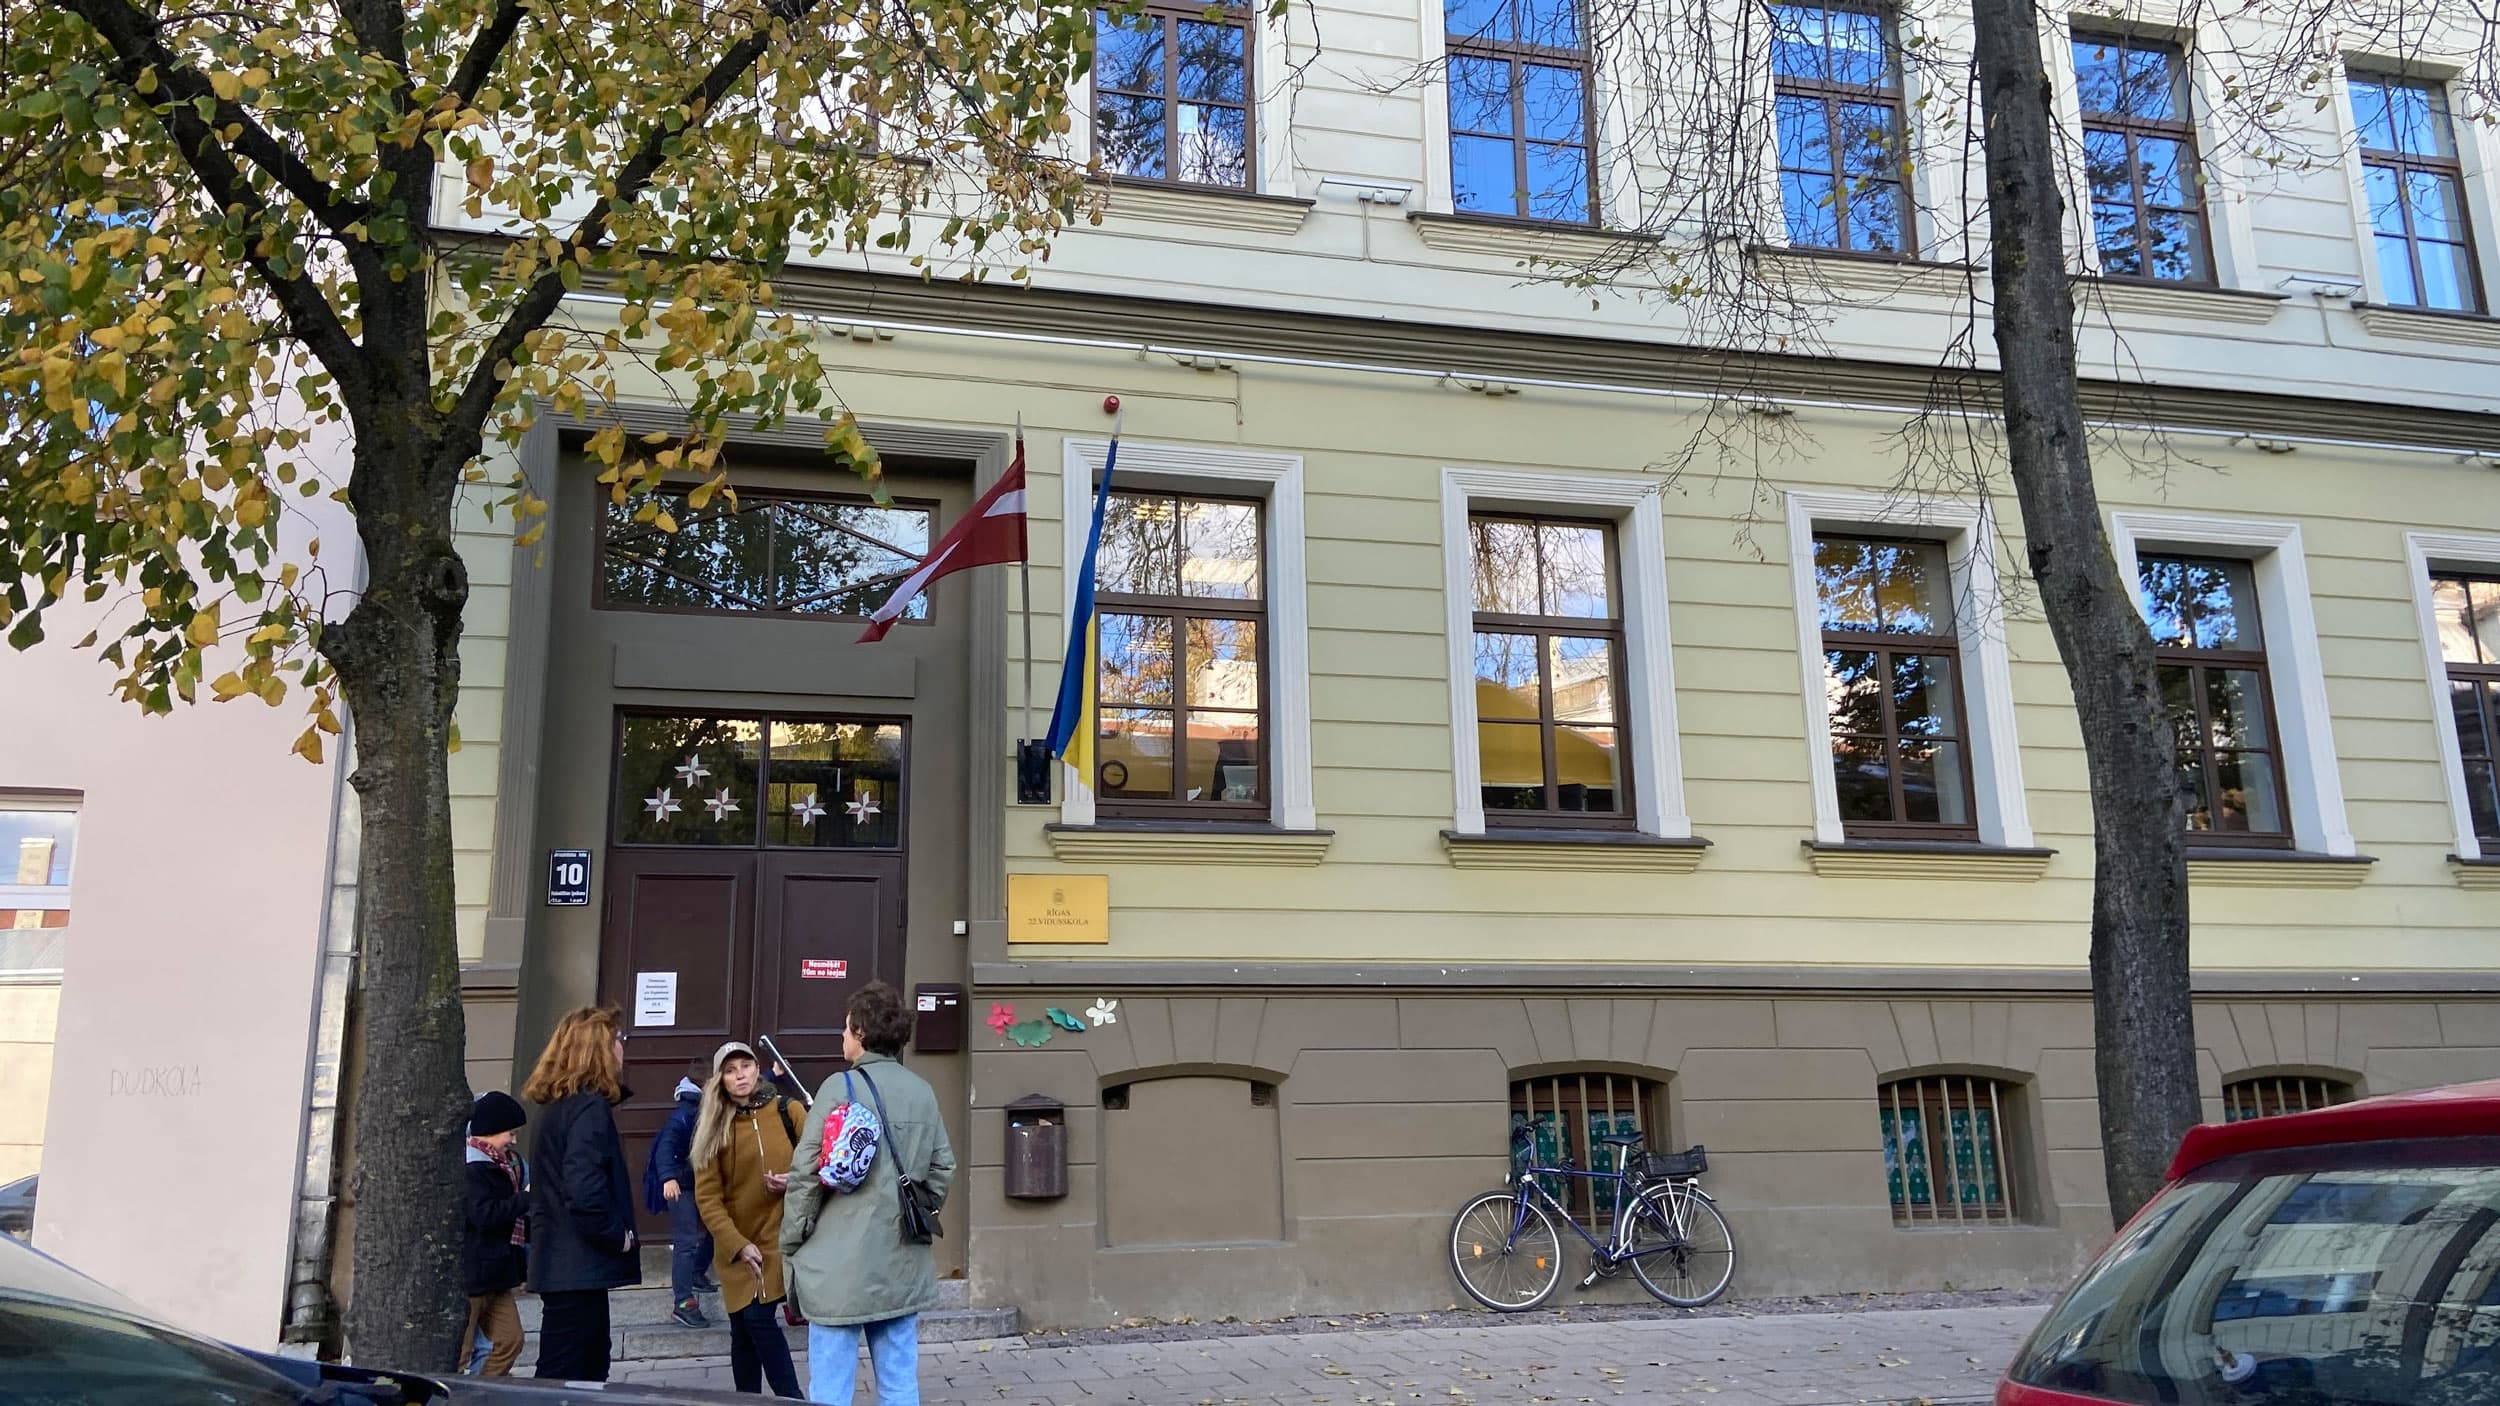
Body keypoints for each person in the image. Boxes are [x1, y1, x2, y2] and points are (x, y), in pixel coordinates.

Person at [782, 983, 955, 1406]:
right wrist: (912, 1211)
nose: (841, 1036)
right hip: (899, 1260)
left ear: (860, 1032)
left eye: (845, 1028)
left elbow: (805, 1173)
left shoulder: (838, 1087)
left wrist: (793, 1238)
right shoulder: (921, 1091)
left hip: (836, 1264)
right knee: (899, 1384)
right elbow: (942, 1169)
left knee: (831, 1388)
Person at [523, 1005, 641, 1381]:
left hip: (567, 1265)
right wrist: (618, 1237)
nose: (623, 1048)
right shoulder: (588, 1108)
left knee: (579, 1372)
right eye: (618, 1040)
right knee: (571, 1374)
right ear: (600, 1049)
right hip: (577, 1265)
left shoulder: (559, 1107)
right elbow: (584, 1190)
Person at [692, 1041, 807, 1397]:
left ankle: (792, 1400)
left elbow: (821, 1164)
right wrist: (737, 1244)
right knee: (741, 1327)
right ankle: (746, 1400)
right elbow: (708, 1197)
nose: (740, 1075)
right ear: (720, 1080)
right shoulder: (713, 1125)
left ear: (757, 1069)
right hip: (737, 1243)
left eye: (745, 1066)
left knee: (758, 1320)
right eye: (730, 1070)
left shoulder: (790, 1111)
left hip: (778, 1237)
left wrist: (794, 1179)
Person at [459, 1090, 530, 1376]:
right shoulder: (473, 1167)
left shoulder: (505, 1164)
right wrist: (525, 1198)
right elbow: (484, 1216)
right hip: (474, 1273)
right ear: (489, 1132)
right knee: (460, 1351)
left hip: (496, 1273)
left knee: (509, 1339)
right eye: (509, 1133)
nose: (512, 1141)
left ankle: (478, 1393)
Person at [645, 1059, 714, 1329]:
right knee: (686, 1241)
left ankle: (697, 1273)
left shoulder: (706, 1106)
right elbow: (665, 1147)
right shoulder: (685, 1113)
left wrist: (772, 1074)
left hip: (700, 1182)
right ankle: (683, 1302)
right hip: (681, 1186)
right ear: (706, 1085)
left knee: (717, 1229)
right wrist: (669, 1177)